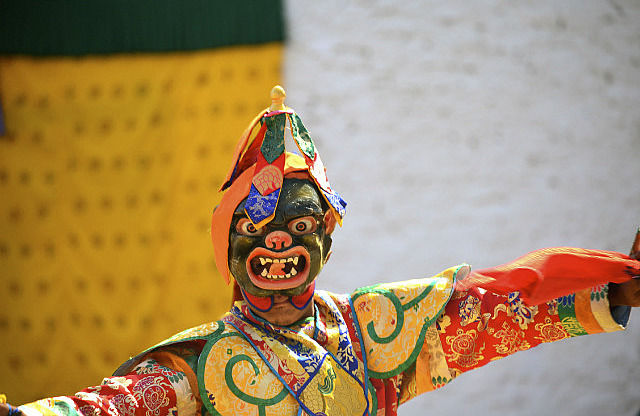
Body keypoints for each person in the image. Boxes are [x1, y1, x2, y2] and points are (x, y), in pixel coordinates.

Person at [2, 87, 639, 416]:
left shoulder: (370, 332)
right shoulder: (199, 366)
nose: (278, 240)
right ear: (229, 248)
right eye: (256, 226)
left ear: (326, 239)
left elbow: (488, 315)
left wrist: (610, 290)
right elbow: (114, 407)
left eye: (299, 223)